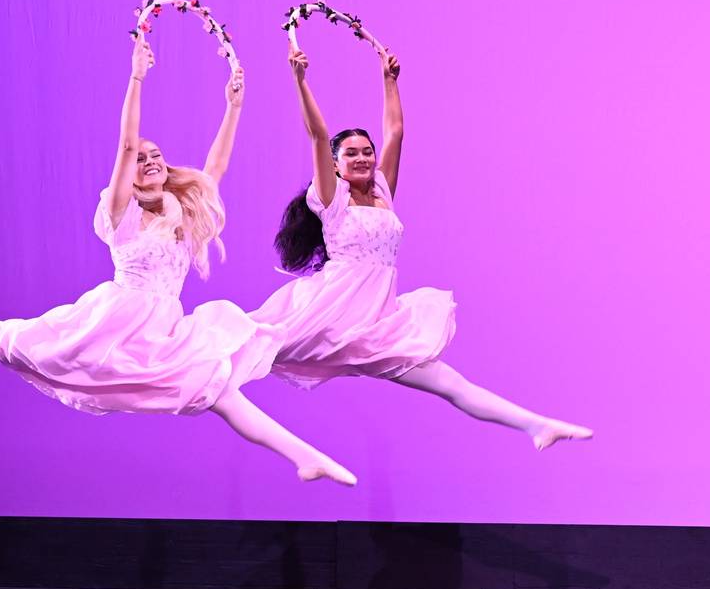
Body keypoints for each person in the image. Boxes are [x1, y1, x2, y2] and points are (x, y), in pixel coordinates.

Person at [0, 37, 357, 485]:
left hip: (161, 328)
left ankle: (306, 458)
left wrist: (233, 108)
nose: (149, 160)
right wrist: (137, 78)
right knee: (8, 339)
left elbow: (215, 169)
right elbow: (126, 144)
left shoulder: (182, 213)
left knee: (218, 390)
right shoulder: (120, 212)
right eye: (142, 158)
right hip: (113, 318)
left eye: (157, 156)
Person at [250, 44, 593, 451]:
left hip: (379, 323)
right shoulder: (330, 198)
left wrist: (389, 82)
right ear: (335, 163)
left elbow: (395, 132)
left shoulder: (381, 192)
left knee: (450, 383)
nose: (362, 158)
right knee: (248, 352)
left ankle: (537, 426)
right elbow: (318, 133)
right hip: (331, 313)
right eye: (350, 153)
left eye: (367, 151)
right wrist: (300, 80)